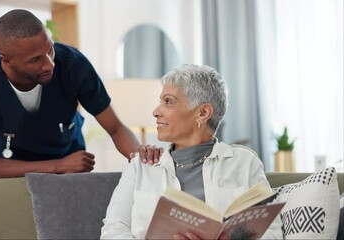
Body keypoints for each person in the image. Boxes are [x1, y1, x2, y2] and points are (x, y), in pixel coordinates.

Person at [100, 64, 282, 239]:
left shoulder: (243, 163)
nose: (156, 112)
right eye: (160, 102)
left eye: (168, 102)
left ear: (202, 113)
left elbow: (271, 232)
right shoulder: (142, 166)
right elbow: (113, 230)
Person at [0, 9, 143, 178]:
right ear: (7, 61)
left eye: (50, 50)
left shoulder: (74, 65)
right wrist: (58, 165)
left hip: (69, 171)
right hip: (12, 174)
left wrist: (142, 159)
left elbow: (116, 129)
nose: (50, 64)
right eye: (35, 59)